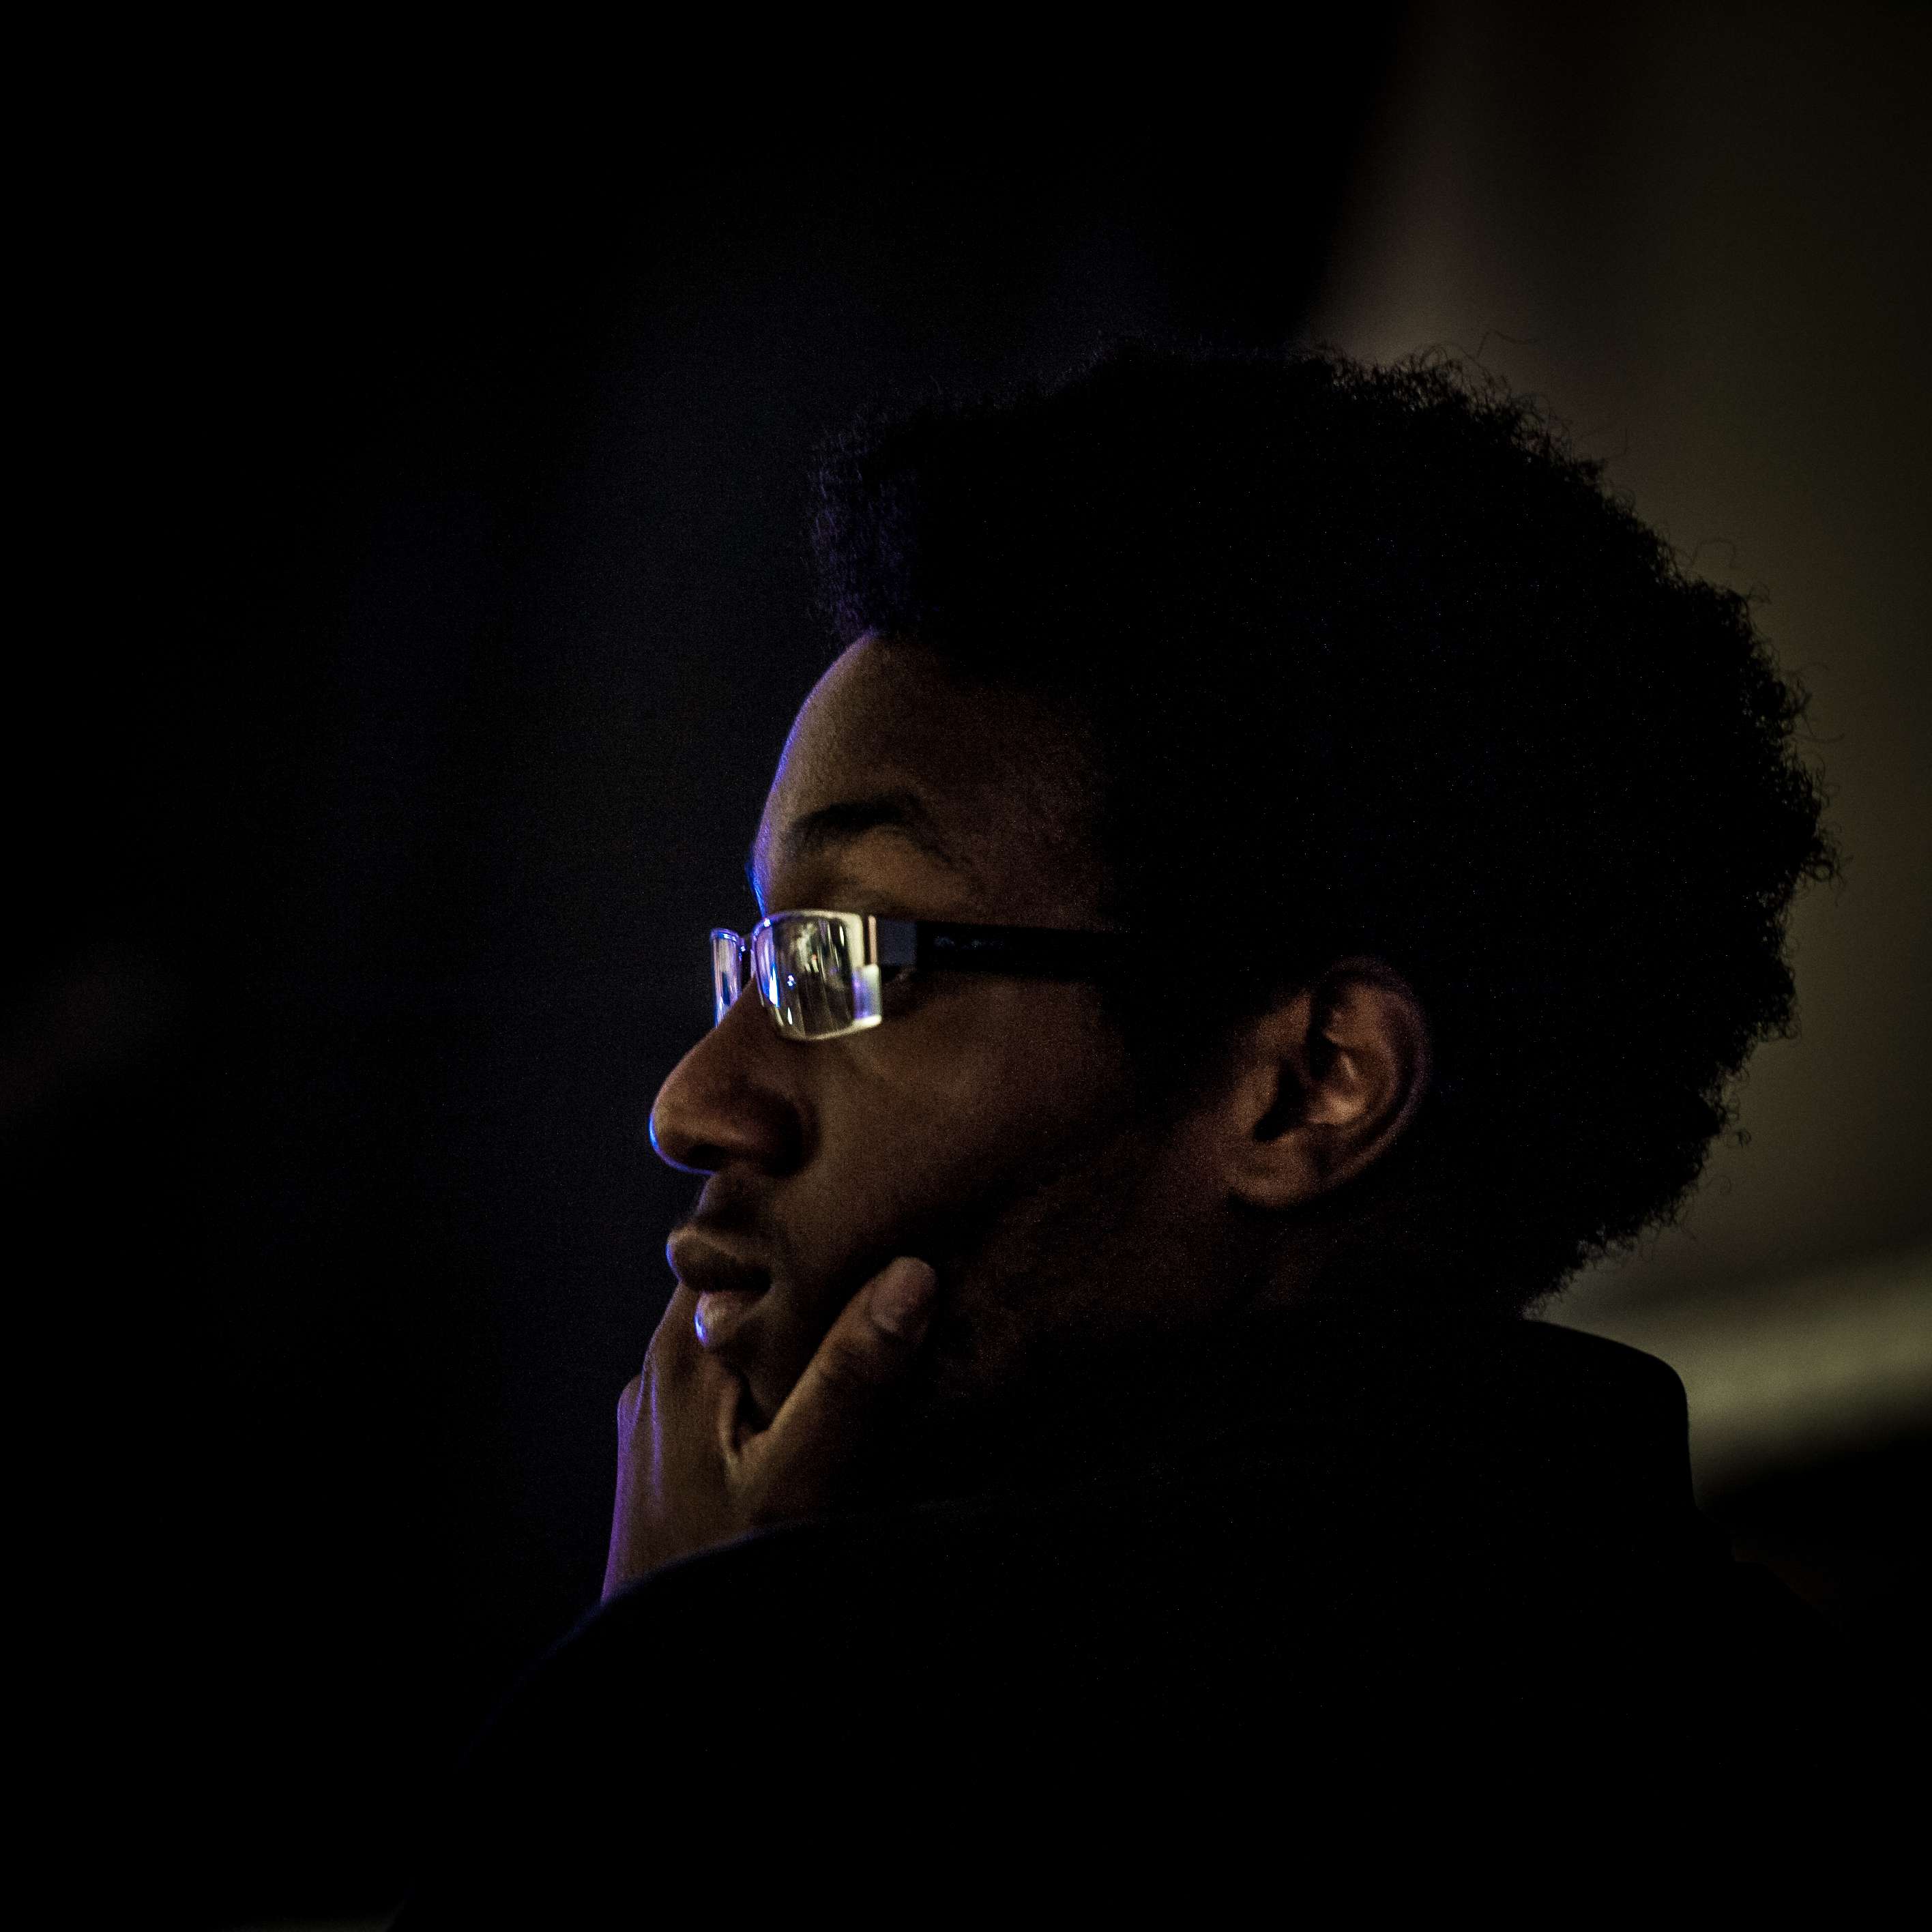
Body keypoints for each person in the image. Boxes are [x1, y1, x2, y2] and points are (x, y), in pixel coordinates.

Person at [392, 340, 1862, 1921]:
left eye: (848, 954)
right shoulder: (1786, 1727)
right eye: (763, 958)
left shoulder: (795, 1737)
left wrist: (663, 1693)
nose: (694, 1101)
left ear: (1310, 1086)